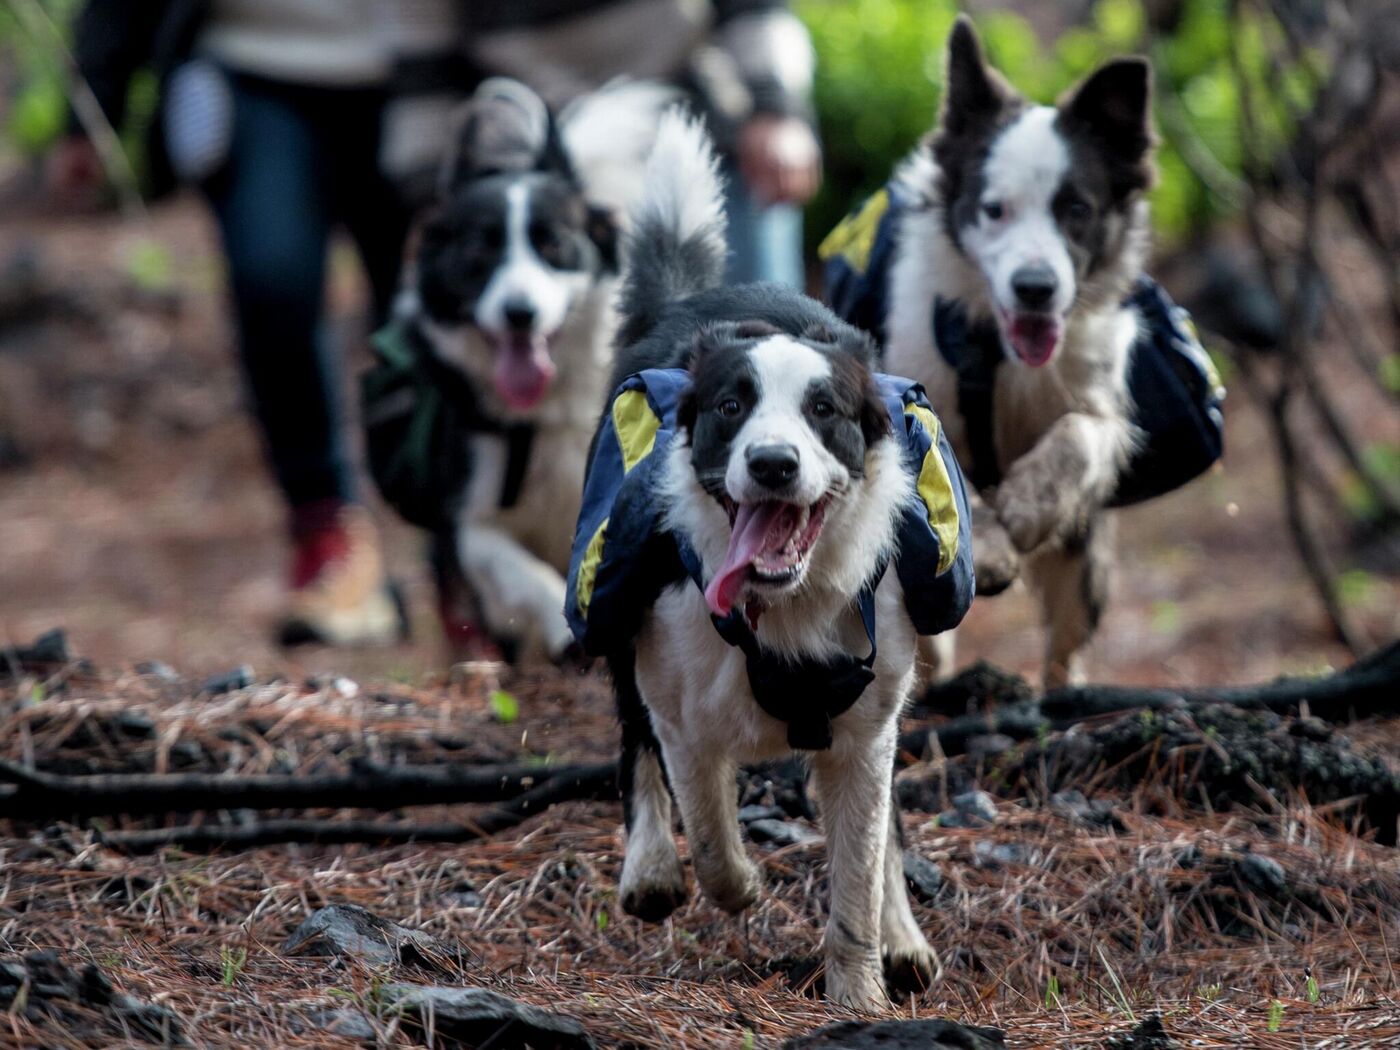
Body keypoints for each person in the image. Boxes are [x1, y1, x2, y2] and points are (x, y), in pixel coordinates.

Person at [50, 1, 464, 647]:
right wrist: (91, 104)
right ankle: (328, 540)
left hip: (422, 77)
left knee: (433, 319)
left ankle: (463, 561)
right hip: (251, 66)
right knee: (271, 283)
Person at [460, 0, 823, 288]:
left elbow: (754, 8)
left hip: (701, 130)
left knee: (762, 322)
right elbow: (425, 74)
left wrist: (777, 108)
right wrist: (428, 190)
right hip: (534, 165)